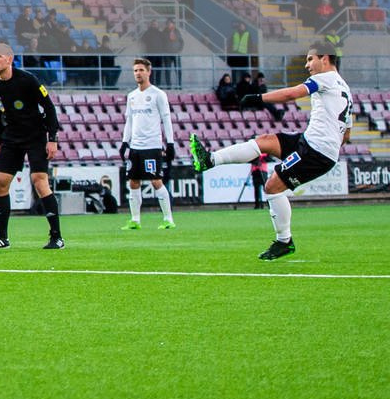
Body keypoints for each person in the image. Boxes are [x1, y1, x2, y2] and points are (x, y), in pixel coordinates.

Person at [190, 43, 352, 260]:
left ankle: (284, 241)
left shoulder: (325, 78)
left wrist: (259, 97)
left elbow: (291, 94)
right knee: (264, 141)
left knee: (272, 186)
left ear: (325, 59)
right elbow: (347, 135)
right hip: (311, 142)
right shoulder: (345, 88)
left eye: (310, 59)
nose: (307, 65)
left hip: (316, 150)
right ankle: (210, 159)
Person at [0, 42, 63, 250]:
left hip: (35, 136)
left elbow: (49, 108)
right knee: (0, 182)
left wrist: (52, 138)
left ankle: (57, 237)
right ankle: (2, 237)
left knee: (39, 180)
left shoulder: (28, 80)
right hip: (11, 138)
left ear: (9, 59)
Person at [118, 57, 177, 231]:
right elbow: (129, 121)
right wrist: (124, 142)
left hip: (152, 146)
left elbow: (167, 119)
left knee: (156, 181)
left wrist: (170, 143)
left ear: (149, 72)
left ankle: (168, 219)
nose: (138, 73)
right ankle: (135, 220)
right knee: (133, 182)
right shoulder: (132, 96)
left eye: (141, 70)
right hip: (135, 147)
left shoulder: (158, 94)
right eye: (135, 70)